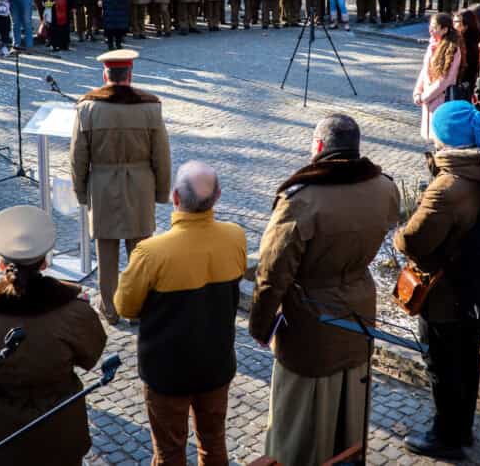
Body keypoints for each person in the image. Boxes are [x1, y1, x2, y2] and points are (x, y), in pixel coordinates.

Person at [248, 114, 401, 465]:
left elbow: (272, 275)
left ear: (318, 147)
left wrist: (260, 326)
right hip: (359, 308)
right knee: (351, 403)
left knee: (301, 419)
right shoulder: (385, 188)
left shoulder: (300, 200)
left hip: (310, 321)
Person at [114, 162, 247, 465]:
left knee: (170, 451)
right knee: (213, 443)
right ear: (218, 197)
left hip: (166, 372)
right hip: (216, 365)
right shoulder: (235, 237)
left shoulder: (150, 253)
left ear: (175, 197)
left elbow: (125, 306)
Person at [0, 205, 108, 465]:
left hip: (9, 432)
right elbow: (90, 355)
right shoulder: (74, 310)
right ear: (45, 262)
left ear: (1, 264)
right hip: (63, 427)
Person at [394, 101, 480, 458]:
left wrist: (399, 234)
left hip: (444, 292)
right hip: (472, 287)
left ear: (446, 138)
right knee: (468, 358)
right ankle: (462, 427)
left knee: (443, 363)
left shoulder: (448, 187)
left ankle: (446, 437)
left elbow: (416, 241)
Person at [70, 49, 172, 323]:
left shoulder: (87, 107)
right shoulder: (150, 107)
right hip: (140, 185)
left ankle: (110, 309)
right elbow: (161, 154)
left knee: (106, 252)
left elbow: (78, 156)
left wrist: (80, 192)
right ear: (130, 74)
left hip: (102, 184)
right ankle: (137, 308)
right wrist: (162, 192)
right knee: (140, 252)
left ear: (105, 75)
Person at [415, 13, 464, 141]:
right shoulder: (432, 46)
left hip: (441, 99)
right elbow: (424, 70)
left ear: (445, 29)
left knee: (440, 139)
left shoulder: (452, 49)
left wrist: (425, 96)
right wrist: (417, 91)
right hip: (428, 98)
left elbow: (445, 79)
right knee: (432, 139)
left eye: (435, 27)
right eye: (430, 26)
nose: (431, 30)